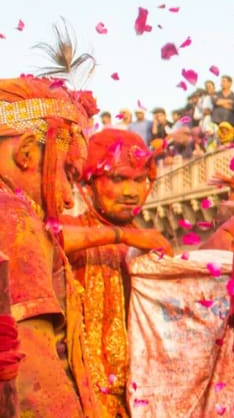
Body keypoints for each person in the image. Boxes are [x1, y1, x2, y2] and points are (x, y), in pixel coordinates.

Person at [0, 75, 99, 415]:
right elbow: (32, 378)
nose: (70, 200)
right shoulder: (10, 216)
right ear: (27, 152)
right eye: (68, 174)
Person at [60, 128, 173, 416]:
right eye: (118, 178)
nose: (131, 192)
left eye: (139, 180)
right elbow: (41, 239)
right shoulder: (76, 231)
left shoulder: (151, 244)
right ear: (90, 184)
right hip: (77, 398)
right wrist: (122, 236)